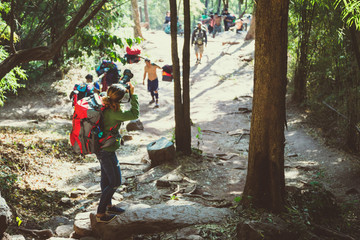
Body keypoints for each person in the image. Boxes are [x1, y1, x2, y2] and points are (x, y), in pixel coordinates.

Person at [95, 83, 139, 223]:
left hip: (104, 149)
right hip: (106, 151)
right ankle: (101, 213)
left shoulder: (104, 104)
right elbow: (134, 114)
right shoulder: (114, 113)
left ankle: (108, 205)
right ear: (120, 99)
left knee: (106, 179)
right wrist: (134, 95)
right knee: (115, 182)